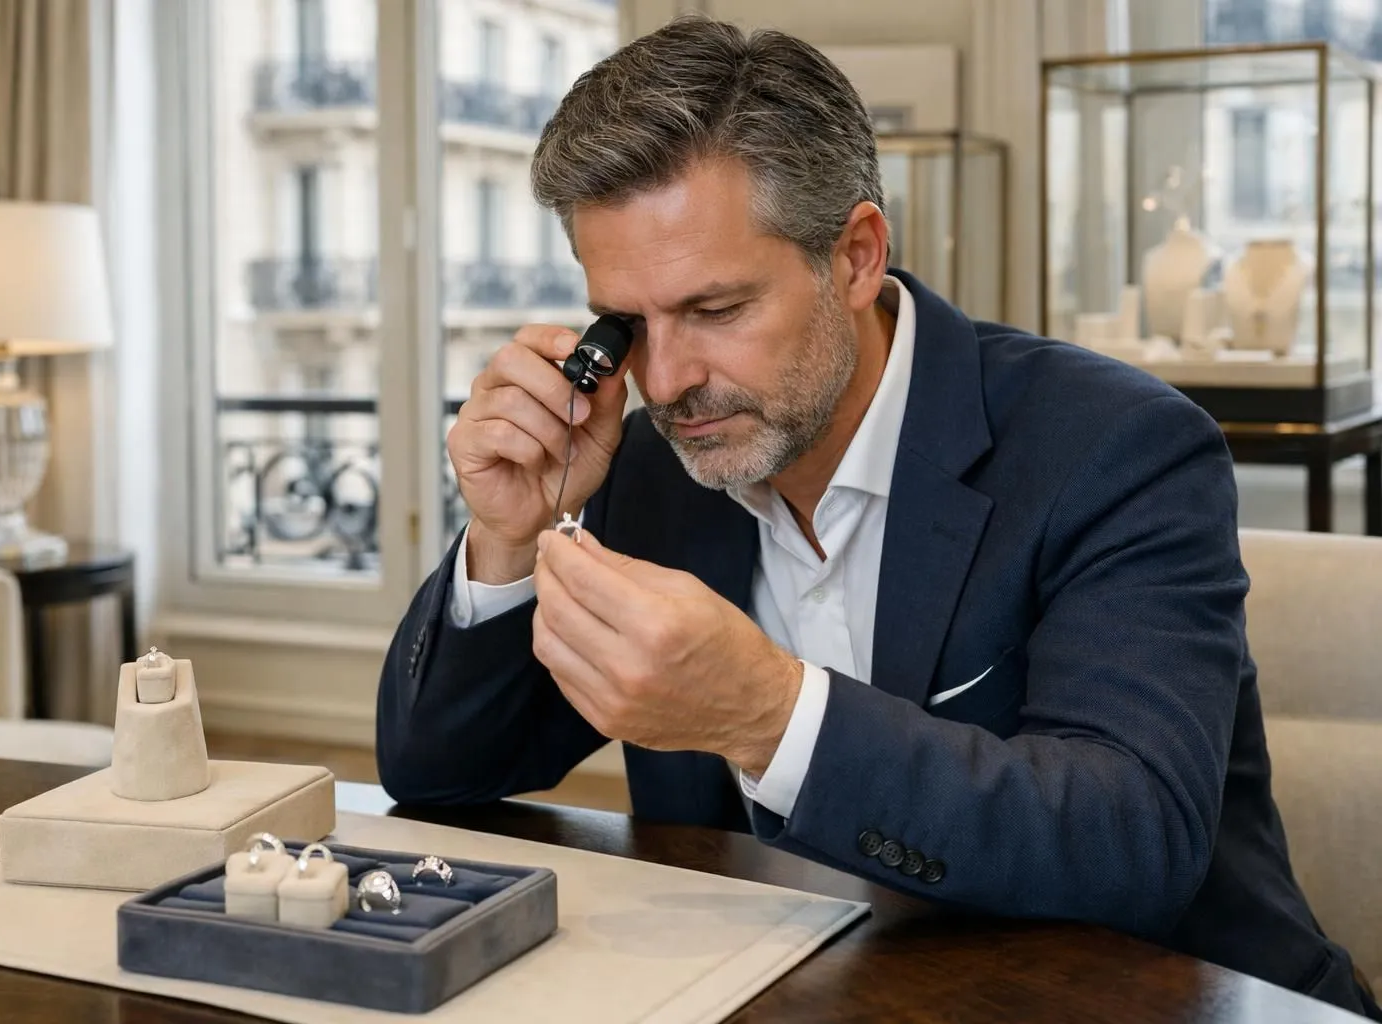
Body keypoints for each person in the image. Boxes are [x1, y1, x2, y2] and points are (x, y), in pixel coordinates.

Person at [376, 15, 1380, 1018]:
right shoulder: (647, 467)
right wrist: (505, 537)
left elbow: (1130, 843)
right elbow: (439, 775)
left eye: (717, 310)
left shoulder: (1118, 447)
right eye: (631, 324)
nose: (669, 379)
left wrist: (767, 713)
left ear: (856, 255)